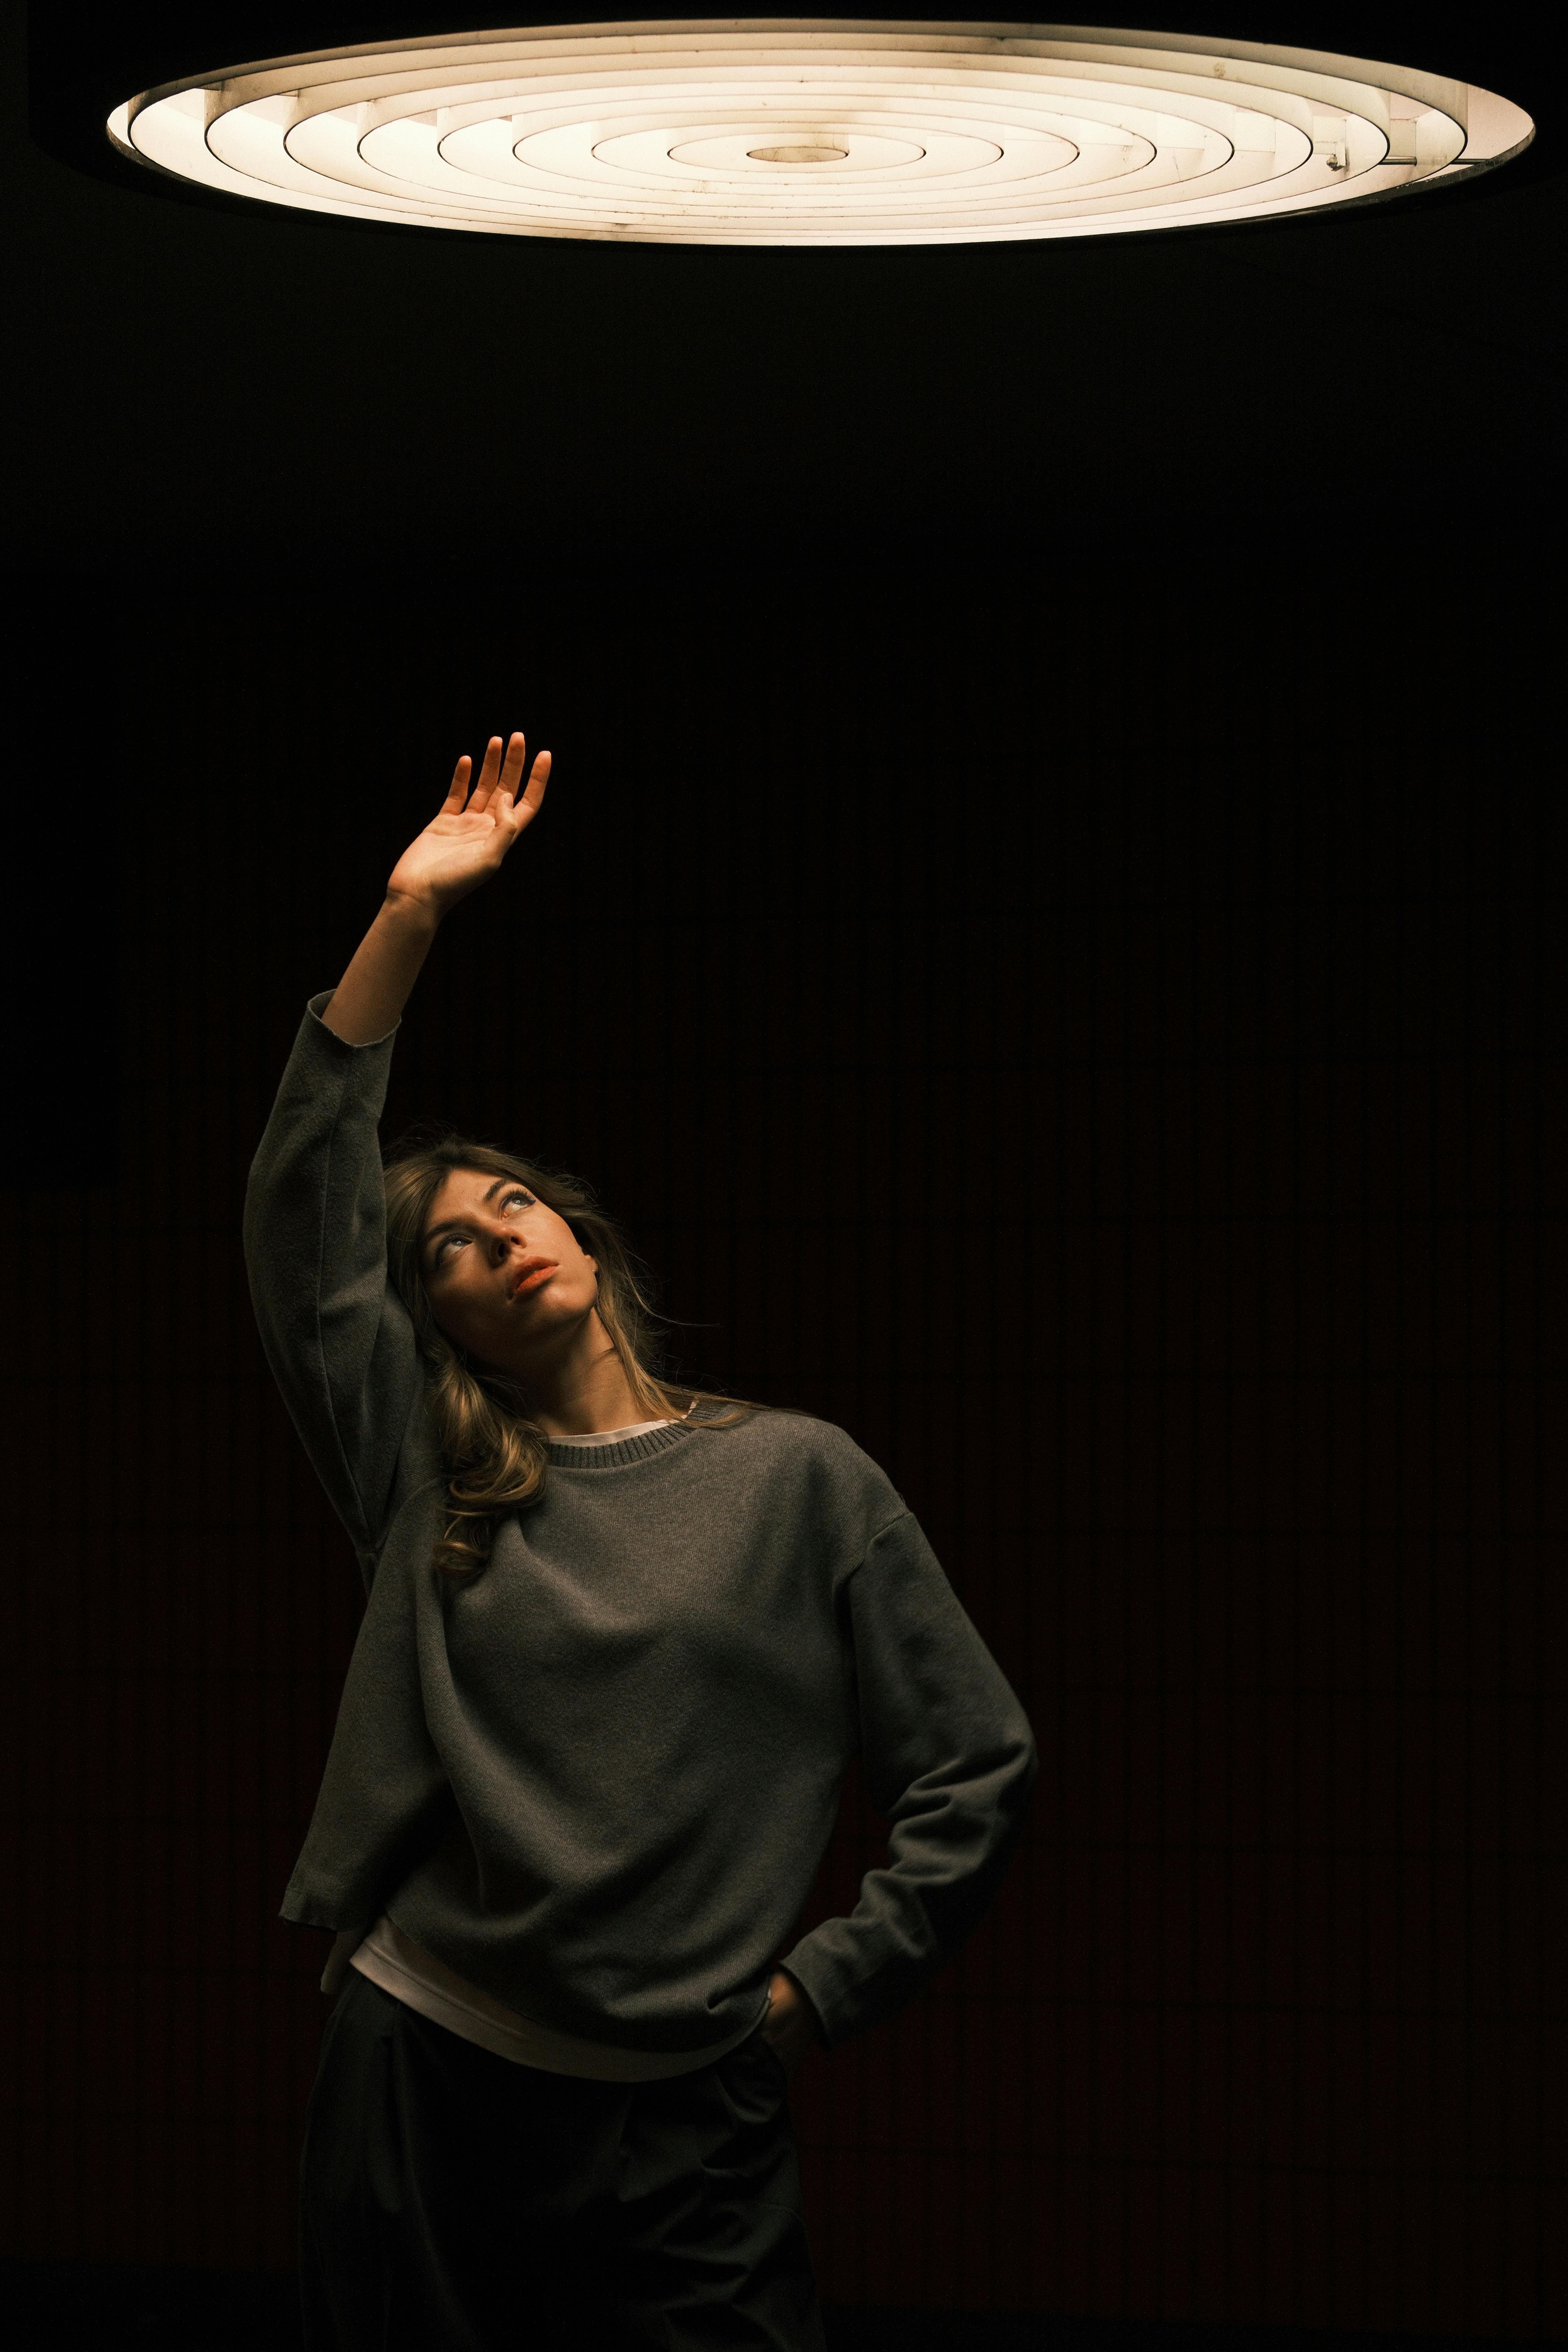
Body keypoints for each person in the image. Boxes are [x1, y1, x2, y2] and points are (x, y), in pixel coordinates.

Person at [244, 728, 1038, 2351]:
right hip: (426, 2064)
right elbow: (304, 1216)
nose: (492, 1242)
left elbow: (977, 1765)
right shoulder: (427, 1470)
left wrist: (820, 1989)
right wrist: (409, 914)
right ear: (436, 1320)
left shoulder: (804, 1481)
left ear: (579, 1233)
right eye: (450, 1251)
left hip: (687, 2113)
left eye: (511, 1208)